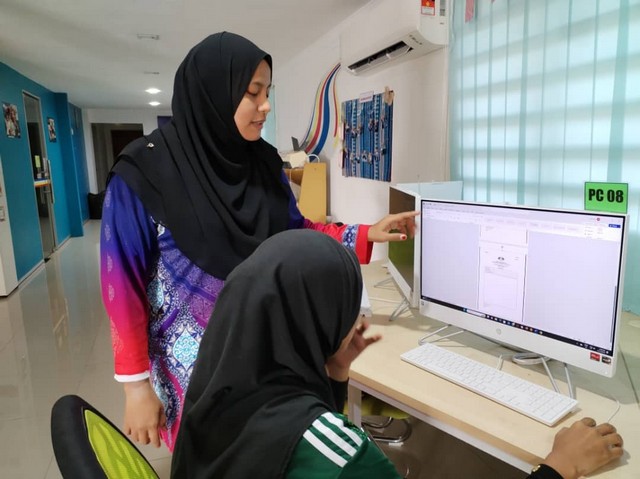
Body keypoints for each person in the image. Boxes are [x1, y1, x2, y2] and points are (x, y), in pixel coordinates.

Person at [99, 31, 417, 451]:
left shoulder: (264, 163)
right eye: (253, 93)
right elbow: (121, 286)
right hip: (193, 372)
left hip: (269, 349)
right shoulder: (143, 174)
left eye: (268, 92)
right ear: (214, 94)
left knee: (271, 455)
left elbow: (296, 234)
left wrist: (364, 233)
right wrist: (136, 386)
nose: (265, 105)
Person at [170, 229, 624, 479]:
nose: (356, 316)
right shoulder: (342, 458)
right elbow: (327, 450)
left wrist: (335, 372)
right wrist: (558, 467)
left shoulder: (215, 395)